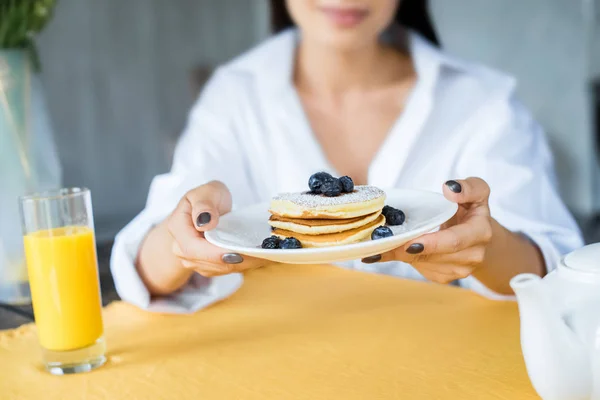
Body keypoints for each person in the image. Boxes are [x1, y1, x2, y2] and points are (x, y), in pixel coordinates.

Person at [110, 0, 583, 313]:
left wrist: (487, 247)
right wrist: (182, 240)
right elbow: (149, 268)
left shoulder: (482, 103)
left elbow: (559, 277)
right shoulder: (237, 95)